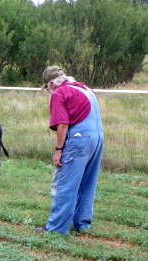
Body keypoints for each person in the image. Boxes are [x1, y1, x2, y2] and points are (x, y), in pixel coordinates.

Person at [38, 66, 104, 235]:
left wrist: (59, 149)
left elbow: (62, 124)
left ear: (52, 84)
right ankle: (82, 224)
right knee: (87, 182)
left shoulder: (60, 93)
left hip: (79, 139)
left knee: (64, 184)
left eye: (47, 88)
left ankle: (55, 229)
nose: (48, 91)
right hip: (97, 139)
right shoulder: (85, 88)